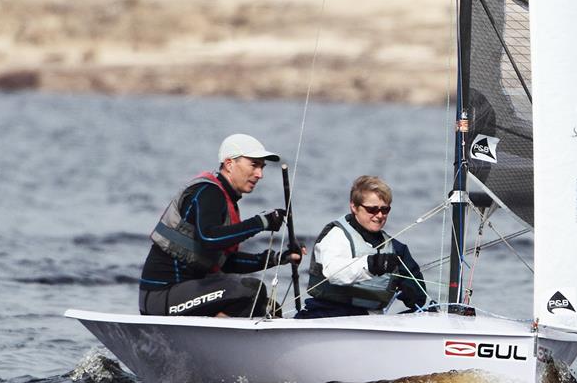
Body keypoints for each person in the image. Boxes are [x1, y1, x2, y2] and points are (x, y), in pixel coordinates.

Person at [139, 133, 303, 318]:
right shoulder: (208, 192)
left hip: (184, 294)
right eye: (254, 165)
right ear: (229, 164)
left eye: (262, 167)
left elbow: (227, 262)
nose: (260, 174)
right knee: (250, 290)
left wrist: (278, 258)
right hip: (161, 297)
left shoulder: (226, 200)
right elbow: (210, 238)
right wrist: (261, 222)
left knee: (268, 307)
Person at [296, 175, 427, 319]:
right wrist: (371, 265)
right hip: (324, 315)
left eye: (385, 210)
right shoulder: (336, 235)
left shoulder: (396, 249)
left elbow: (419, 298)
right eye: (372, 209)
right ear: (354, 206)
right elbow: (334, 273)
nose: (379, 215)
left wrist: (411, 292)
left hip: (367, 320)